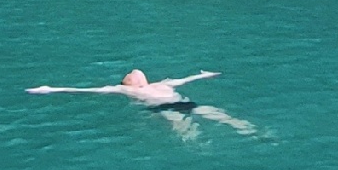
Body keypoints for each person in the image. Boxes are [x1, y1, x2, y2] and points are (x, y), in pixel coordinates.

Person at [27, 69, 251, 134]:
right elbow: (86, 90)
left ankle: (253, 131)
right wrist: (50, 89)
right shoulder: (122, 89)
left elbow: (185, 79)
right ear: (129, 83)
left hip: (183, 101)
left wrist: (204, 75)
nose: (133, 72)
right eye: (130, 74)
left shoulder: (163, 82)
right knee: (188, 131)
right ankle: (204, 155)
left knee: (222, 116)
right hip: (163, 107)